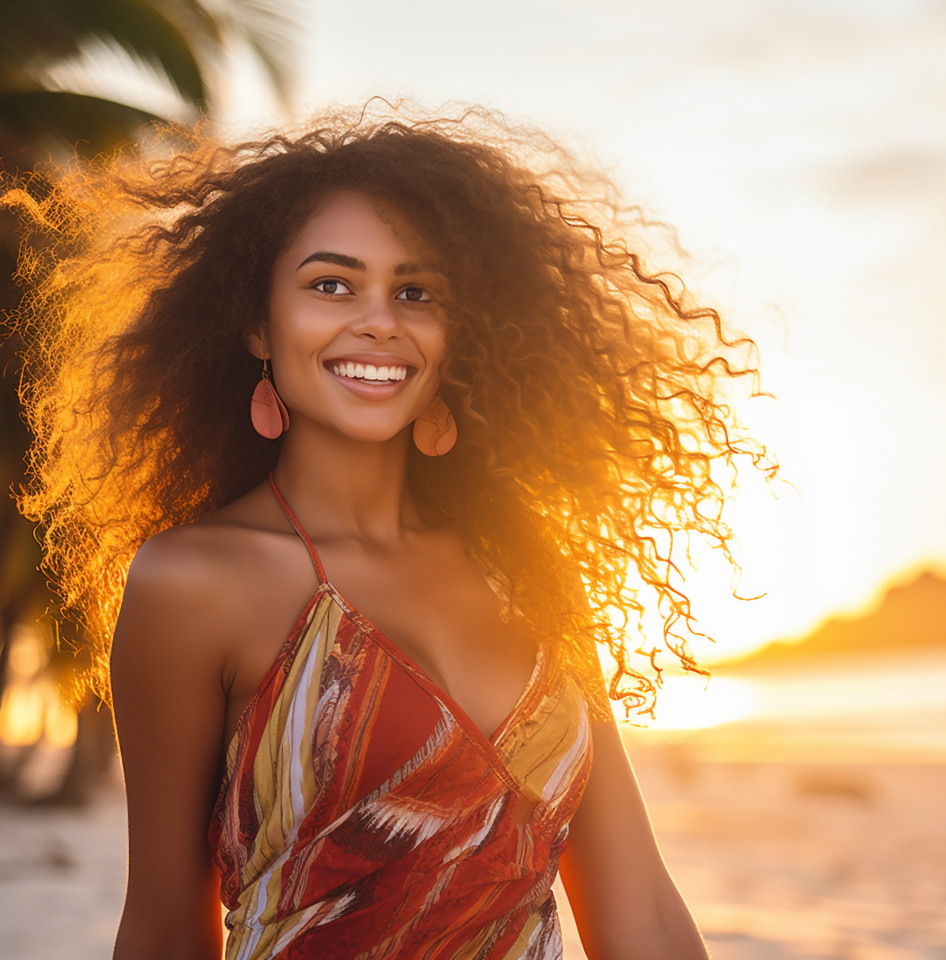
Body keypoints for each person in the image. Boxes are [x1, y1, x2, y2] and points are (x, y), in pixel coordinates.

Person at [7, 105, 765, 959]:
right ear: (257, 322)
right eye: (332, 284)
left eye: (416, 291)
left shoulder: (529, 567)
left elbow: (646, 917)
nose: (379, 321)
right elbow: (164, 928)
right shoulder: (193, 583)